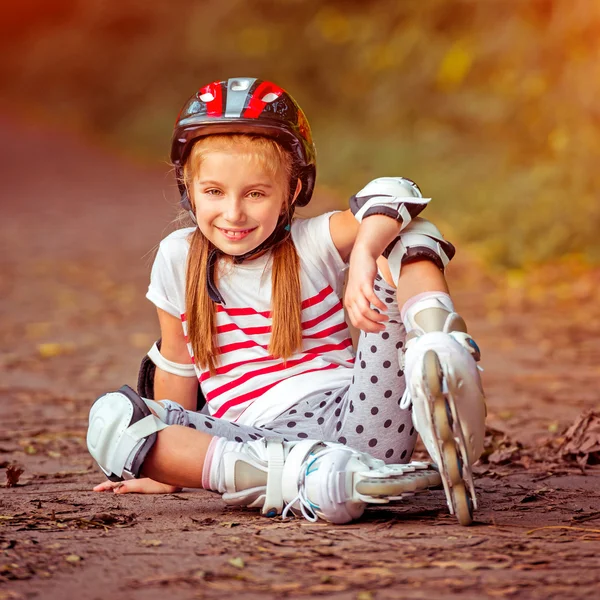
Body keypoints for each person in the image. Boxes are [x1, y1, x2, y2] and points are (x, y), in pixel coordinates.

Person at [87, 77, 486, 525]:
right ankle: (309, 479)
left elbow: (397, 192)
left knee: (406, 231)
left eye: (256, 193)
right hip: (249, 443)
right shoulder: (177, 257)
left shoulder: (311, 242)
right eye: (214, 191)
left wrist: (363, 258)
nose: (233, 213)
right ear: (189, 188)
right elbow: (178, 364)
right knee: (115, 419)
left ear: (292, 193)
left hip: (357, 420)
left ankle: (441, 350)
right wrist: (166, 468)